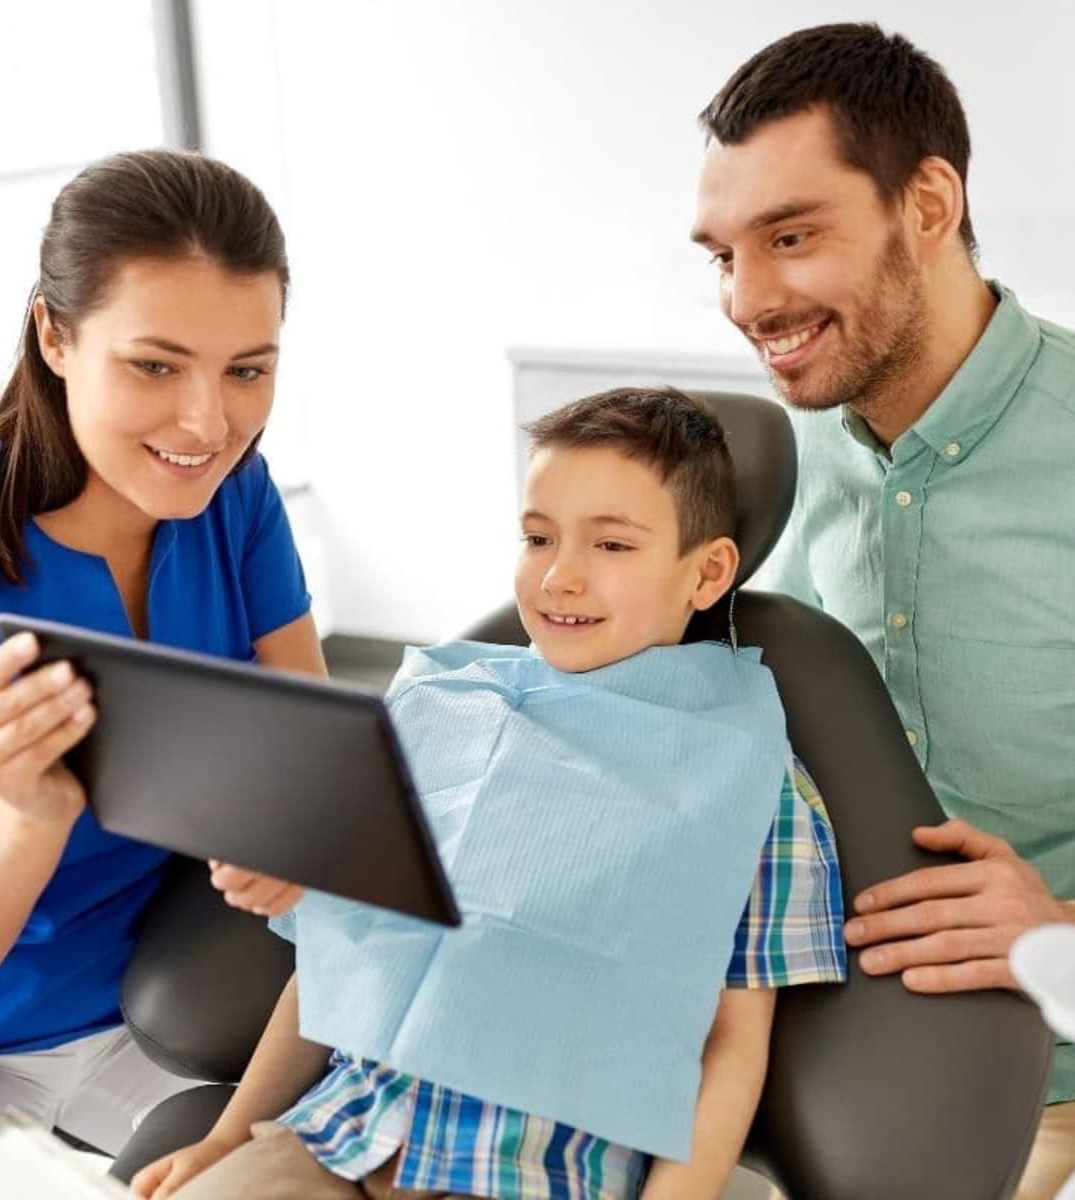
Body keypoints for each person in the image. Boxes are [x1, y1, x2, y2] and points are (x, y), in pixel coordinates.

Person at [130, 386, 846, 1200]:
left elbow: (731, 1044)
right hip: (339, 1137)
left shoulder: (752, 785)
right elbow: (336, 963)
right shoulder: (440, 713)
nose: (560, 577)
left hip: (535, 1175)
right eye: (538, 537)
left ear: (708, 571)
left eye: (612, 545)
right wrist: (228, 1139)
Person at [0, 149, 324, 1168]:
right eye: (156, 365)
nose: (209, 424)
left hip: (171, 1004)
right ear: (55, 335)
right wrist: (29, 812)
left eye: (247, 370)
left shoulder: (237, 499)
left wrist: (289, 835)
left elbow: (310, 770)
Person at [690, 22, 1075, 1199]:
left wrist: (1059, 929)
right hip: (816, 1057)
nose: (746, 299)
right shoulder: (778, 459)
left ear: (929, 206)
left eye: (791, 237)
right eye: (722, 255)